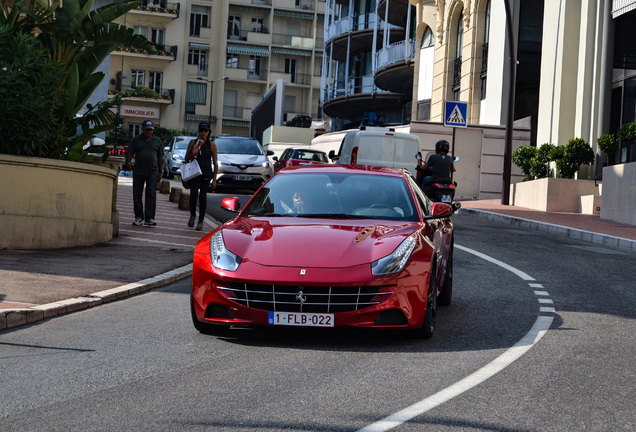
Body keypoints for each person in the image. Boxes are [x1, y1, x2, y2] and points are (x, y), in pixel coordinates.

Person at [125, 119, 164, 226]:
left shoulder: (157, 141)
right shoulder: (136, 140)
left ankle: (150, 218)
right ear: (142, 129)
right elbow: (130, 152)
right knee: (137, 194)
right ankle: (138, 217)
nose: (148, 132)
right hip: (138, 171)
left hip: (152, 171)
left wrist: (160, 172)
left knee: (151, 194)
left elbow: (160, 157)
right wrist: (128, 161)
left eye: (150, 130)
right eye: (146, 129)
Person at [185, 122, 218, 230]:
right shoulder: (193, 142)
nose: (203, 133)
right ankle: (193, 214)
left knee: (203, 197)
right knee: (193, 195)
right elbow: (186, 159)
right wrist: (194, 151)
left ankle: (200, 221)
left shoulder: (212, 145)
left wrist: (214, 180)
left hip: (206, 173)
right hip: (194, 173)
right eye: (201, 130)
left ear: (209, 132)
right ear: (198, 131)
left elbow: (216, 163)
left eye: (205, 131)